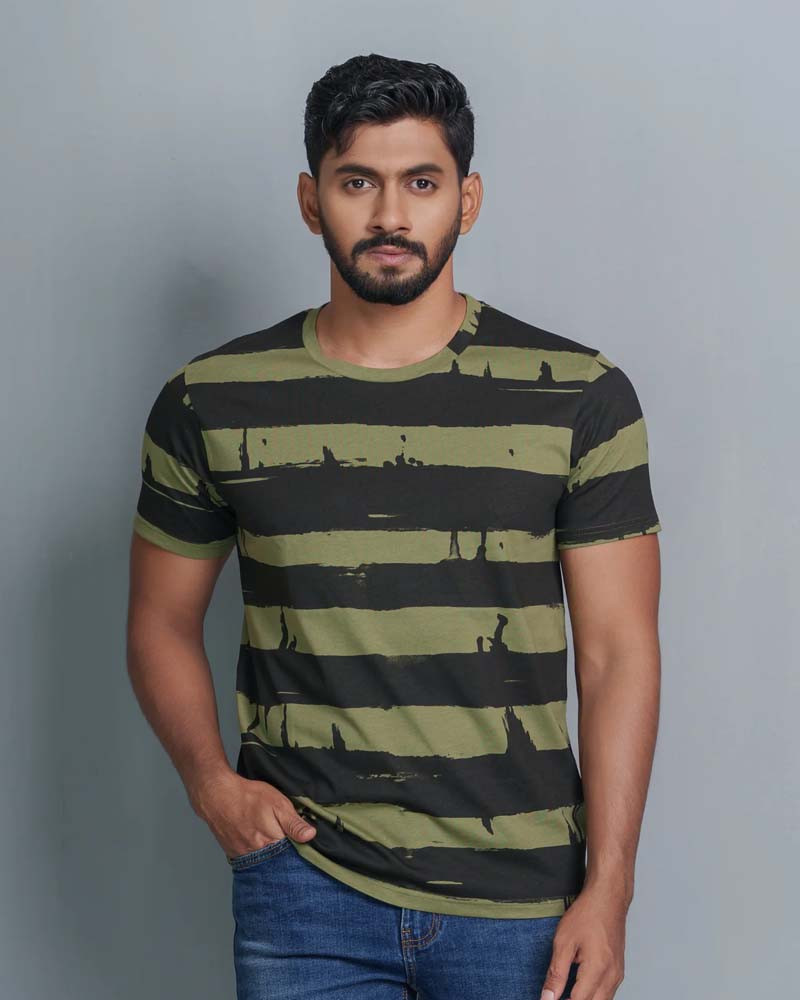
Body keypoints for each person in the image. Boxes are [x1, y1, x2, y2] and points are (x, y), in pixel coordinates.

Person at [127, 52, 662, 1000]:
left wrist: (610, 888)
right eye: (356, 182)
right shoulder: (211, 399)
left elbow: (618, 653)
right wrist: (212, 786)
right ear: (310, 200)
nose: (388, 216)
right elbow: (159, 622)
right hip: (305, 890)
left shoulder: (578, 396)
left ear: (468, 198)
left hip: (522, 898)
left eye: (421, 182)